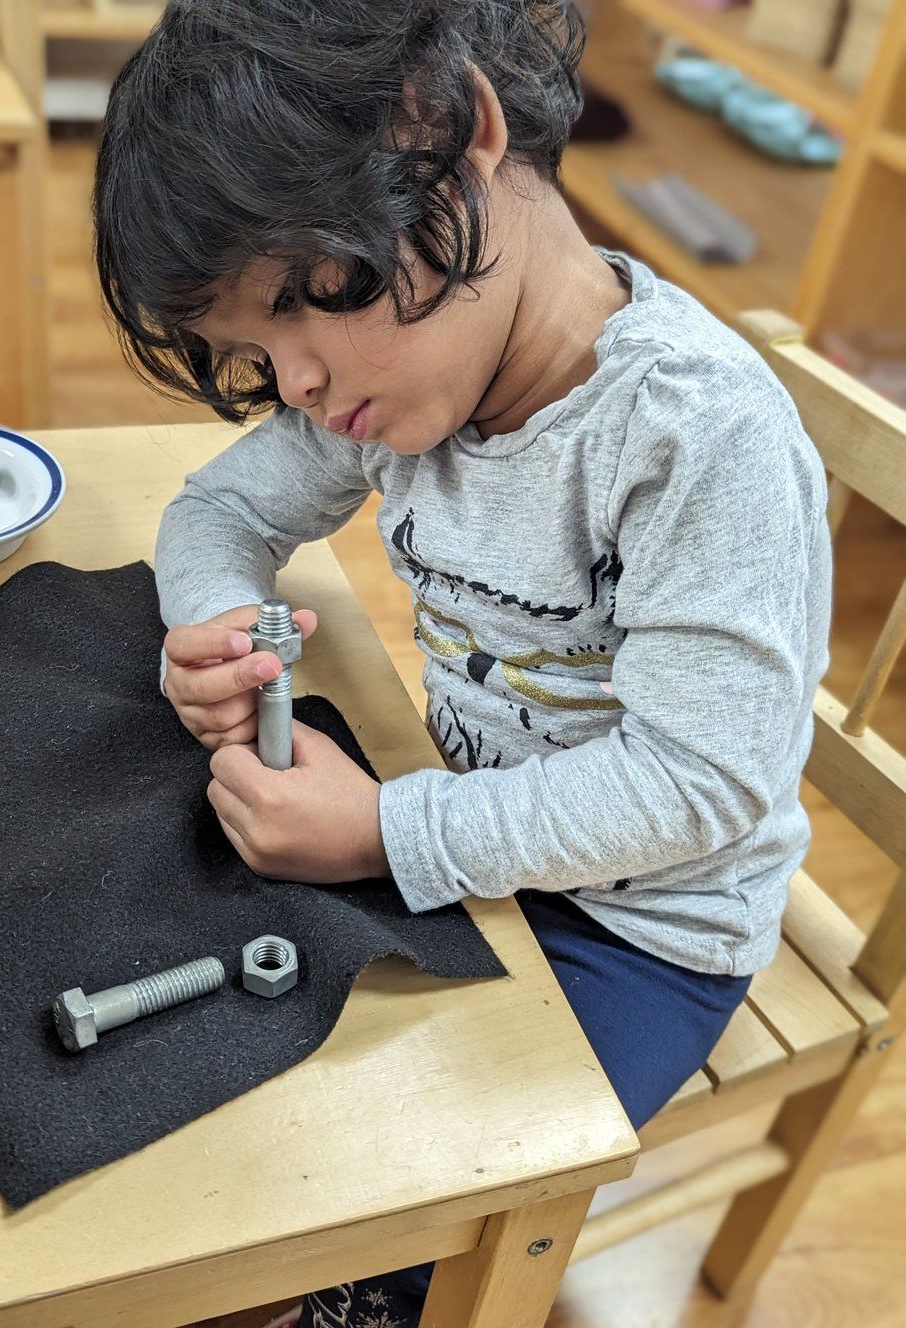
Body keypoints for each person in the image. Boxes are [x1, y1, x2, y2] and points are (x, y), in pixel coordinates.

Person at [92, 2, 832, 1323]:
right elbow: (219, 513)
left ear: (451, 131)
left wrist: (383, 827)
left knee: (390, 1226)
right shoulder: (408, 377)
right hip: (470, 842)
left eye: (295, 310)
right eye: (255, 356)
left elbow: (697, 789)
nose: (300, 385)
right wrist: (207, 627)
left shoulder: (691, 437)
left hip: (646, 931)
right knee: (200, 1094)